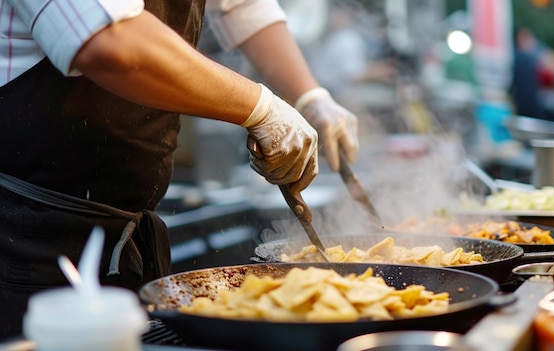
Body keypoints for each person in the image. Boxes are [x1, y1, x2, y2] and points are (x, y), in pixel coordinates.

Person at [0, 0, 359, 338]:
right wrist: (262, 108)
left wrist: (311, 96)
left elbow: (243, 6)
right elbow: (109, 41)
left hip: (126, 235)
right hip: (27, 238)